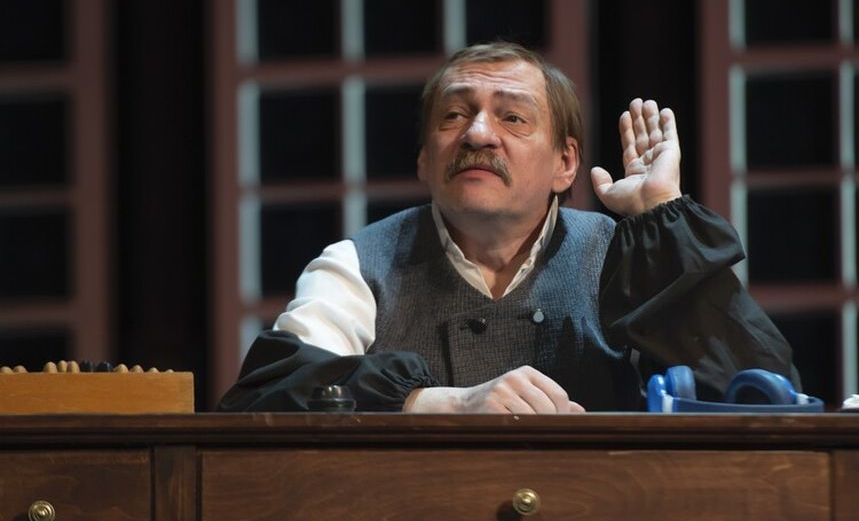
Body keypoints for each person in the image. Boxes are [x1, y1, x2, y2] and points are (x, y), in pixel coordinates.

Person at [218, 42, 799, 414]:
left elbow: (766, 400)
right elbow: (265, 394)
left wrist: (660, 217)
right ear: (424, 160)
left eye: (513, 117)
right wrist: (437, 403)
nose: (477, 134)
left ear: (564, 164)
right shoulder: (358, 264)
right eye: (454, 114)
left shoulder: (619, 257)